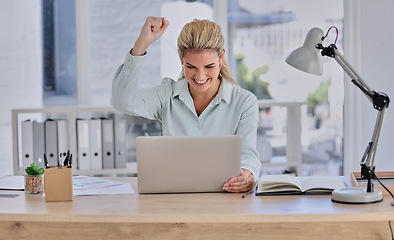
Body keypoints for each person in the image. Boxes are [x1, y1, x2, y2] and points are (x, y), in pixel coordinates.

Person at [111, 16, 261, 193]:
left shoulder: (245, 102)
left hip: (225, 199)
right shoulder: (167, 94)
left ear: (221, 58)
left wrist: (247, 174)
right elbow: (122, 102)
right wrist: (141, 45)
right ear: (181, 59)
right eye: (191, 67)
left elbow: (248, 153)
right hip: (174, 199)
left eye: (209, 66)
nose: (200, 76)